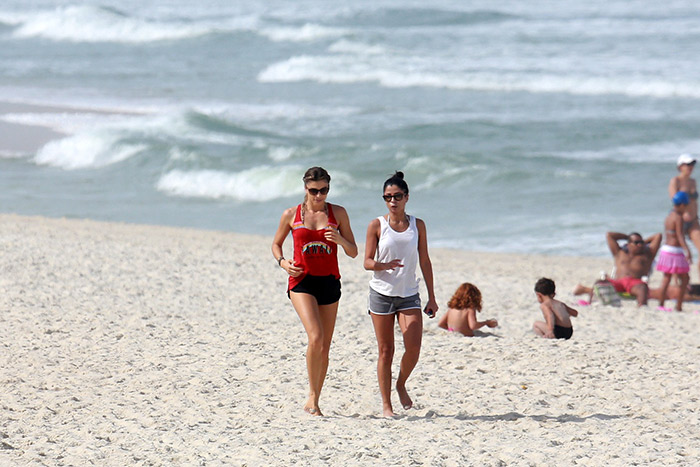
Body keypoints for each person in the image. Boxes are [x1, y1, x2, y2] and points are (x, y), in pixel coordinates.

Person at [271, 167, 357, 416]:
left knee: (325, 346)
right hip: (302, 282)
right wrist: (284, 263)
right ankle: (311, 395)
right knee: (316, 336)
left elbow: (353, 251)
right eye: (314, 191)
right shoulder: (292, 214)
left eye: (324, 190)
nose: (319, 196)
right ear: (305, 188)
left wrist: (340, 239)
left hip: (329, 281)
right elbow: (276, 244)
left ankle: (316, 399)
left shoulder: (338, 213)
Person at [364, 171, 438, 417]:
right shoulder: (377, 225)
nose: (392, 201)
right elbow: (366, 262)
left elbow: (425, 260)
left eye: (397, 196)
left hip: (409, 293)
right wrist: (382, 266)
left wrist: (432, 296)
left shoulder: (418, 225)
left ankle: (401, 383)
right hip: (382, 294)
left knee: (414, 347)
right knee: (386, 351)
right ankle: (387, 406)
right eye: (387, 197)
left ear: (407, 197)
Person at [573, 231, 662, 306]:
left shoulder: (648, 254)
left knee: (643, 288)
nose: (639, 245)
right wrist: (627, 237)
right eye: (636, 243)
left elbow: (658, 236)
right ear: (628, 244)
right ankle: (590, 303)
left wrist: (642, 242)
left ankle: (641, 307)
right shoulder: (619, 253)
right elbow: (609, 235)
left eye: (641, 243)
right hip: (618, 282)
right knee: (599, 283)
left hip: (635, 283)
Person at [656, 191, 692, 311]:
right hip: (675, 251)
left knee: (666, 278)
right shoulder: (679, 218)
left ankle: (661, 305)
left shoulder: (669, 216)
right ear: (682, 205)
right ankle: (679, 306)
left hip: (666, 249)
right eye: (686, 205)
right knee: (685, 278)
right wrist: (688, 251)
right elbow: (680, 235)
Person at [668, 153, 700, 277]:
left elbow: (694, 202)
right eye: (687, 164)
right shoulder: (675, 181)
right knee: (678, 253)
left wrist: (696, 217)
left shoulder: (693, 181)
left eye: (692, 164)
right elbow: (674, 200)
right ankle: (679, 283)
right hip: (679, 220)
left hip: (693, 221)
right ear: (680, 166)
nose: (690, 167)